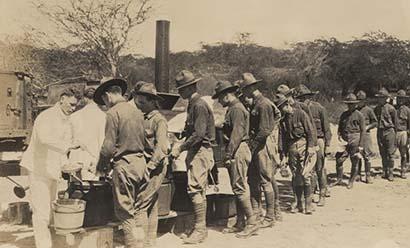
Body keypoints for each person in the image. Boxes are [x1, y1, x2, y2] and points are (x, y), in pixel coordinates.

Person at [20, 88, 81, 248]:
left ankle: (53, 243)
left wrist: (65, 164)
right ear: (62, 99)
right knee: (41, 211)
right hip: (38, 168)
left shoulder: (66, 120)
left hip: (52, 169)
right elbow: (45, 139)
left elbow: (64, 147)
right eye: (71, 104)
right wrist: (68, 146)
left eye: (75, 106)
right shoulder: (46, 117)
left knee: (52, 207)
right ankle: (43, 245)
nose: (73, 108)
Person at [94, 78, 147, 248]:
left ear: (107, 96)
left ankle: (132, 244)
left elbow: (108, 147)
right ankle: (143, 242)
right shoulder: (137, 111)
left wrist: (101, 166)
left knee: (124, 210)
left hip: (124, 165)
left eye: (103, 100)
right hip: (140, 163)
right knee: (139, 208)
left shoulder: (113, 113)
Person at [170, 70, 216, 244]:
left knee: (195, 189)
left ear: (190, 88)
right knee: (197, 189)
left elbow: (198, 134)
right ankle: (198, 227)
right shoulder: (192, 104)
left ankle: (200, 230)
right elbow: (190, 130)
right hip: (195, 151)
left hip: (201, 151)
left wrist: (180, 148)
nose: (179, 93)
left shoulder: (199, 105)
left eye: (181, 89)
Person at [212, 80, 259, 238]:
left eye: (219, 97)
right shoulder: (233, 108)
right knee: (237, 186)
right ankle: (240, 222)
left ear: (226, 96)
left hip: (238, 149)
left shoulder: (237, 109)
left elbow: (236, 135)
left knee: (239, 186)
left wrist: (228, 154)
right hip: (237, 149)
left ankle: (252, 223)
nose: (219, 101)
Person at [238, 73, 281, 228]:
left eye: (244, 89)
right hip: (257, 145)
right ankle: (257, 212)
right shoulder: (255, 104)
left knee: (265, 180)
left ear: (251, 88)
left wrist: (252, 146)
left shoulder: (263, 104)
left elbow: (264, 130)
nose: (243, 92)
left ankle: (270, 216)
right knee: (253, 180)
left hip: (261, 146)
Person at [133, 81, 169, 247]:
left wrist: (149, 167)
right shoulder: (143, 117)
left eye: (142, 102)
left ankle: (141, 244)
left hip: (155, 167)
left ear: (152, 101)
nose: (139, 105)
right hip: (147, 165)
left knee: (140, 205)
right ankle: (150, 241)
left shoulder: (159, 121)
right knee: (151, 204)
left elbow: (161, 148)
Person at [275, 94, 316, 214]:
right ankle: (298, 203)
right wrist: (283, 156)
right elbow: (282, 139)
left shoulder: (301, 114)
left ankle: (308, 204)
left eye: (282, 107)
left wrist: (311, 147)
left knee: (306, 175)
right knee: (296, 177)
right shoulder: (283, 121)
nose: (281, 110)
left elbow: (310, 131)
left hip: (304, 146)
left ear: (287, 104)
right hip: (292, 148)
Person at [294, 84, 332, 207]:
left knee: (319, 169)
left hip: (318, 140)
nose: (303, 100)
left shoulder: (319, 109)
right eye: (300, 98)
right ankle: (306, 197)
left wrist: (327, 145)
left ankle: (322, 194)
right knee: (305, 170)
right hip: (304, 142)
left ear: (310, 97)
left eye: (305, 97)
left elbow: (327, 129)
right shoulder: (297, 110)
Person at [70, 87, 106, 180]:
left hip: (76, 157)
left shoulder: (74, 116)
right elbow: (102, 141)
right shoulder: (103, 116)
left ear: (84, 98)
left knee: (75, 188)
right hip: (93, 158)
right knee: (93, 190)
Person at [332, 93, 366, 189]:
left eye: (352, 104)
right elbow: (340, 126)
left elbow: (363, 130)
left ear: (356, 104)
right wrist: (339, 134)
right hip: (344, 138)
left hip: (355, 138)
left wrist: (361, 145)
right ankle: (339, 179)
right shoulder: (344, 114)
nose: (350, 106)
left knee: (354, 161)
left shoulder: (360, 115)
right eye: (348, 104)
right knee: (339, 159)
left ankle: (351, 181)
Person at [374, 88, 398, 181]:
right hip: (380, 131)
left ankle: (391, 172)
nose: (380, 99)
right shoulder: (376, 108)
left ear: (386, 98)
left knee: (390, 153)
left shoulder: (391, 108)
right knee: (382, 152)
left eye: (382, 97)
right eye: (379, 97)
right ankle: (385, 171)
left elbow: (395, 123)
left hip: (389, 131)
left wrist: (394, 134)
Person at [356, 90, 378, 183]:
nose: (359, 102)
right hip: (357, 134)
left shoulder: (369, 110)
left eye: (361, 100)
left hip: (366, 135)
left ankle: (368, 175)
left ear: (365, 101)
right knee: (357, 155)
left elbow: (375, 122)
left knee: (367, 155)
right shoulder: (355, 110)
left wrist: (367, 127)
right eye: (358, 100)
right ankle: (357, 174)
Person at [395, 90, 410, 179]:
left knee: (403, 153)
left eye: (402, 99)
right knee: (391, 153)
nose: (400, 100)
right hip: (394, 132)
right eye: (399, 98)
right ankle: (388, 171)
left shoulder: (408, 110)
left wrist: (408, 135)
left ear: (405, 100)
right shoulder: (393, 109)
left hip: (403, 132)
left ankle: (403, 171)